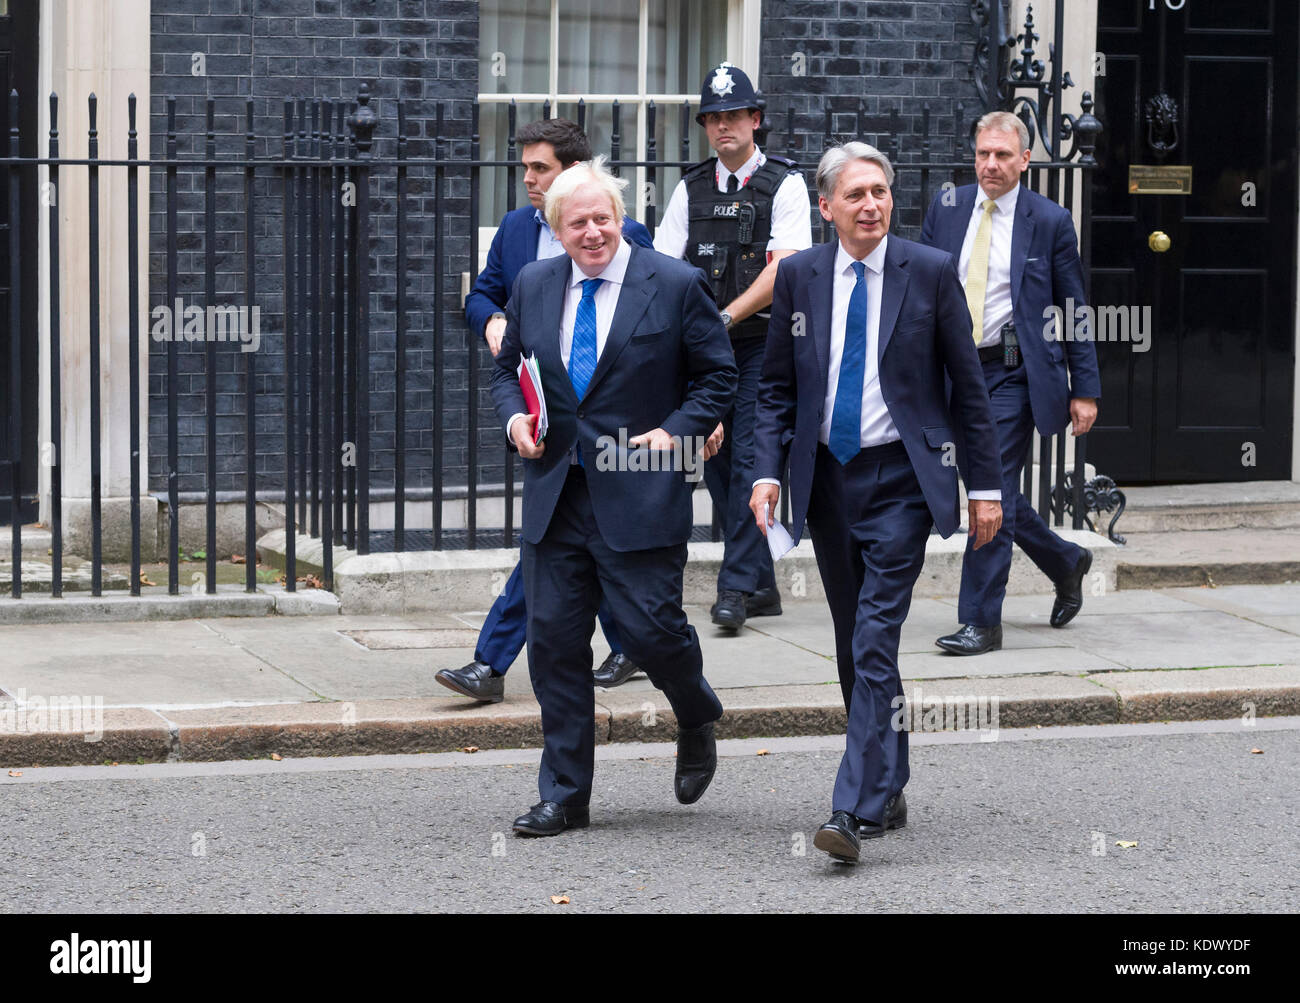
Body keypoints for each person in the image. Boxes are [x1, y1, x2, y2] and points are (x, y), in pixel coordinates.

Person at [749, 143, 1002, 863]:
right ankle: (888, 779)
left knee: (873, 636)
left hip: (902, 483)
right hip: (827, 481)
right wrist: (767, 471)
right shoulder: (797, 277)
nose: (871, 205)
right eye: (855, 194)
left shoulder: (927, 271)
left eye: (881, 192)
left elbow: (969, 387)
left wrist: (984, 486)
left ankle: (850, 810)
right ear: (825, 207)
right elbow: (774, 388)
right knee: (852, 642)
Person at [491, 157, 738, 836]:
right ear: (558, 230)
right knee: (555, 644)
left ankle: (694, 710)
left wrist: (677, 431)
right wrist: (516, 420)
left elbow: (718, 378)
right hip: (556, 493)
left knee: (652, 631)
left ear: (622, 217)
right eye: (579, 223)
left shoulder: (677, 284)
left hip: (639, 491)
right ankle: (566, 794)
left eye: (604, 218)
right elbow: (508, 371)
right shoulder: (535, 285)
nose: (594, 232)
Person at [439, 119, 655, 703]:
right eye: (526, 166)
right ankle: (633, 640)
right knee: (572, 542)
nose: (528, 178)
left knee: (553, 543)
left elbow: (655, 317)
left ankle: (490, 662)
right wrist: (491, 320)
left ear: (576, 174)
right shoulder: (514, 229)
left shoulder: (618, 232)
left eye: (540, 167)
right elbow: (484, 290)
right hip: (542, 413)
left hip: (608, 423)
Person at [920, 111, 1102, 656]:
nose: (991, 164)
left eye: (1002, 155)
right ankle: (1066, 560)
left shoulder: (1049, 221)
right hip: (953, 370)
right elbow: (921, 287)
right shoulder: (947, 210)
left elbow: (1074, 308)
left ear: (1025, 160)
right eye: (983, 154)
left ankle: (981, 621)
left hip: (1011, 371)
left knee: (988, 488)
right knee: (994, 489)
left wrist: (1084, 386)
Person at [654, 62, 812, 633]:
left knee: (748, 460)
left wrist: (720, 317)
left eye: (734, 116)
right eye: (713, 118)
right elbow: (667, 269)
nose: (724, 127)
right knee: (715, 464)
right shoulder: (690, 188)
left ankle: (735, 588)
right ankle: (764, 585)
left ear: (755, 120)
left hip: (761, 346)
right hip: (704, 350)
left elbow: (784, 270)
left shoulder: (786, 184)